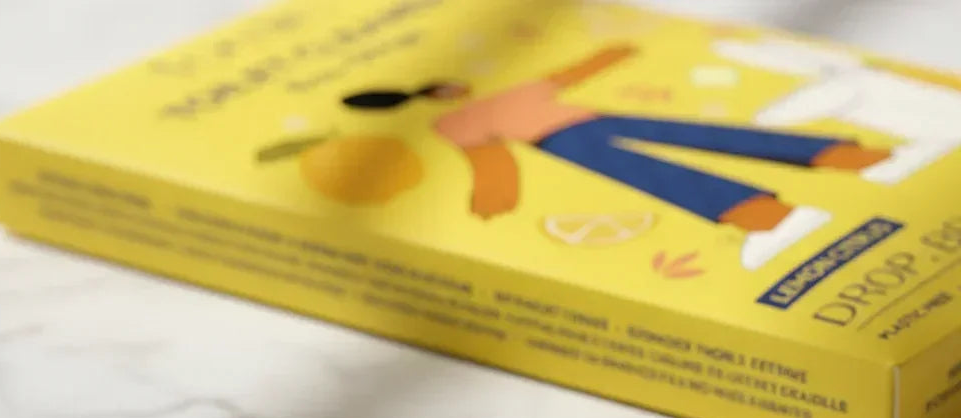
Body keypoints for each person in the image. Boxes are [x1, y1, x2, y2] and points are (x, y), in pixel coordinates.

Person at [342, 46, 936, 270]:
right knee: (688, 160)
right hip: (578, 134)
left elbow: (497, 152)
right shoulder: (469, 111)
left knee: (691, 157)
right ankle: (839, 175)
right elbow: (494, 155)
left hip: (581, 131)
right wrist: (493, 194)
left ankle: (828, 181)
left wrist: (494, 195)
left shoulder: (461, 118)